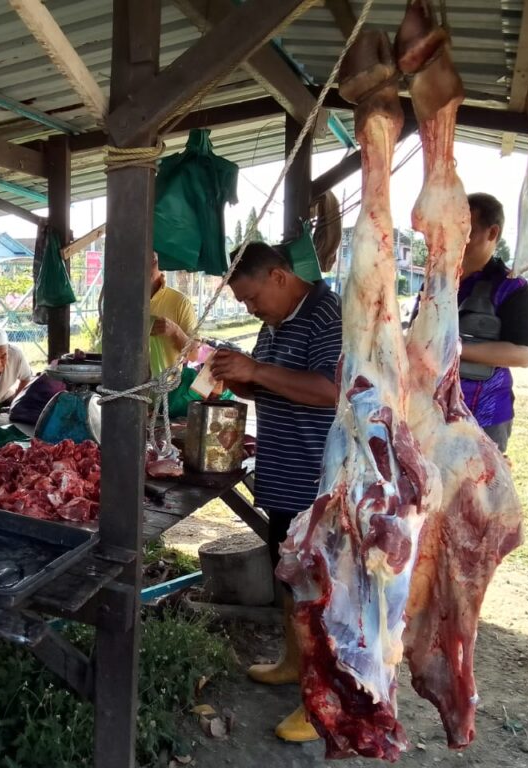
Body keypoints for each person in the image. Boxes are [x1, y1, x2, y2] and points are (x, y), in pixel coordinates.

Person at [209, 241, 342, 744]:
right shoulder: (276, 323)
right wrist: (240, 375)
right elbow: (273, 384)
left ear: (280, 277)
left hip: (320, 482)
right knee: (289, 582)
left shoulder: (328, 316)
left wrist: (257, 370)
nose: (250, 308)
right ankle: (294, 663)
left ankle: (324, 701)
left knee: (322, 595)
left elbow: (332, 389)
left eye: (252, 298)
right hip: (285, 477)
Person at [453, 193, 528, 452]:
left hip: (484, 416)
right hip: (430, 410)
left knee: (476, 489)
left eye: (465, 231)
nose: (456, 238)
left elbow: (525, 354)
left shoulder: (512, 288)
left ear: (492, 233)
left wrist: (456, 349)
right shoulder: (437, 282)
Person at [149, 252, 198, 376]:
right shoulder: (123, 302)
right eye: (138, 260)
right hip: (128, 385)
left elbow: (194, 354)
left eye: (152, 259)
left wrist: (175, 331)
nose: (145, 266)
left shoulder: (181, 303)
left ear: (162, 262)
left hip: (166, 389)